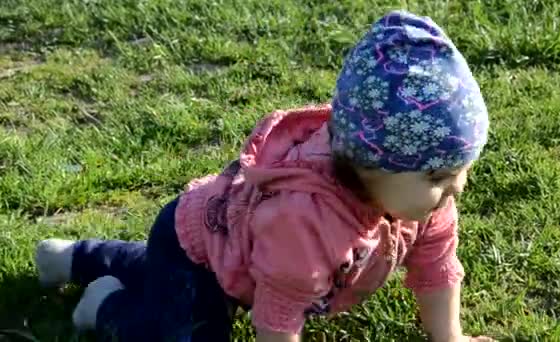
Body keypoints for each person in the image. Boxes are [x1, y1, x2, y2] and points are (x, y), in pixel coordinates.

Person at [34, 10, 495, 342]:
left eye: (462, 168)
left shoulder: (426, 199)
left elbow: (436, 267)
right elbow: (278, 320)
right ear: (368, 163)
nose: (456, 187)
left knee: (166, 281)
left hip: (232, 251)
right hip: (197, 253)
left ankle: (74, 258)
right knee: (187, 326)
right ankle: (105, 306)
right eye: (438, 175)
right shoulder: (306, 220)